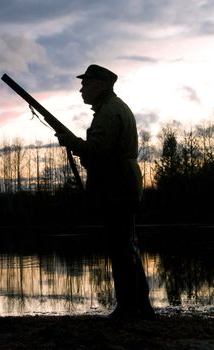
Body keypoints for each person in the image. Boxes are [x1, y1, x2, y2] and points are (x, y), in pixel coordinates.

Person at [56, 64, 155, 320]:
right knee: (126, 246)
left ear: (101, 84)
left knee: (120, 248)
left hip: (117, 187)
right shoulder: (112, 108)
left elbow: (99, 152)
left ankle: (128, 309)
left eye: (86, 83)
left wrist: (72, 142)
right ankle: (140, 306)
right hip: (122, 184)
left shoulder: (108, 112)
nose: (82, 88)